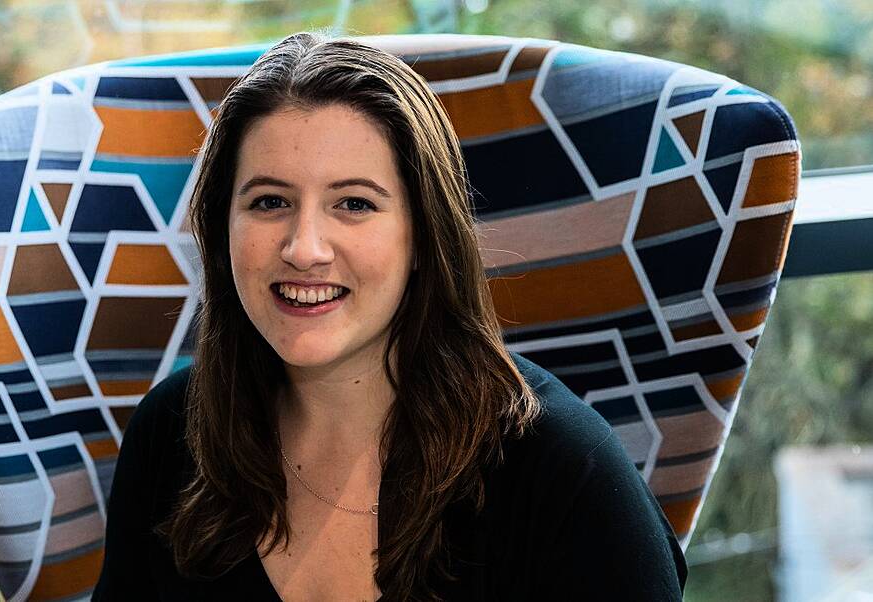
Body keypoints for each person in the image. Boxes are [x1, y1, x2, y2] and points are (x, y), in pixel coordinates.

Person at [93, 32, 687, 601]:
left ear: (425, 235)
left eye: (354, 204)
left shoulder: (567, 476)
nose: (304, 248)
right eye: (269, 202)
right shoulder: (172, 436)